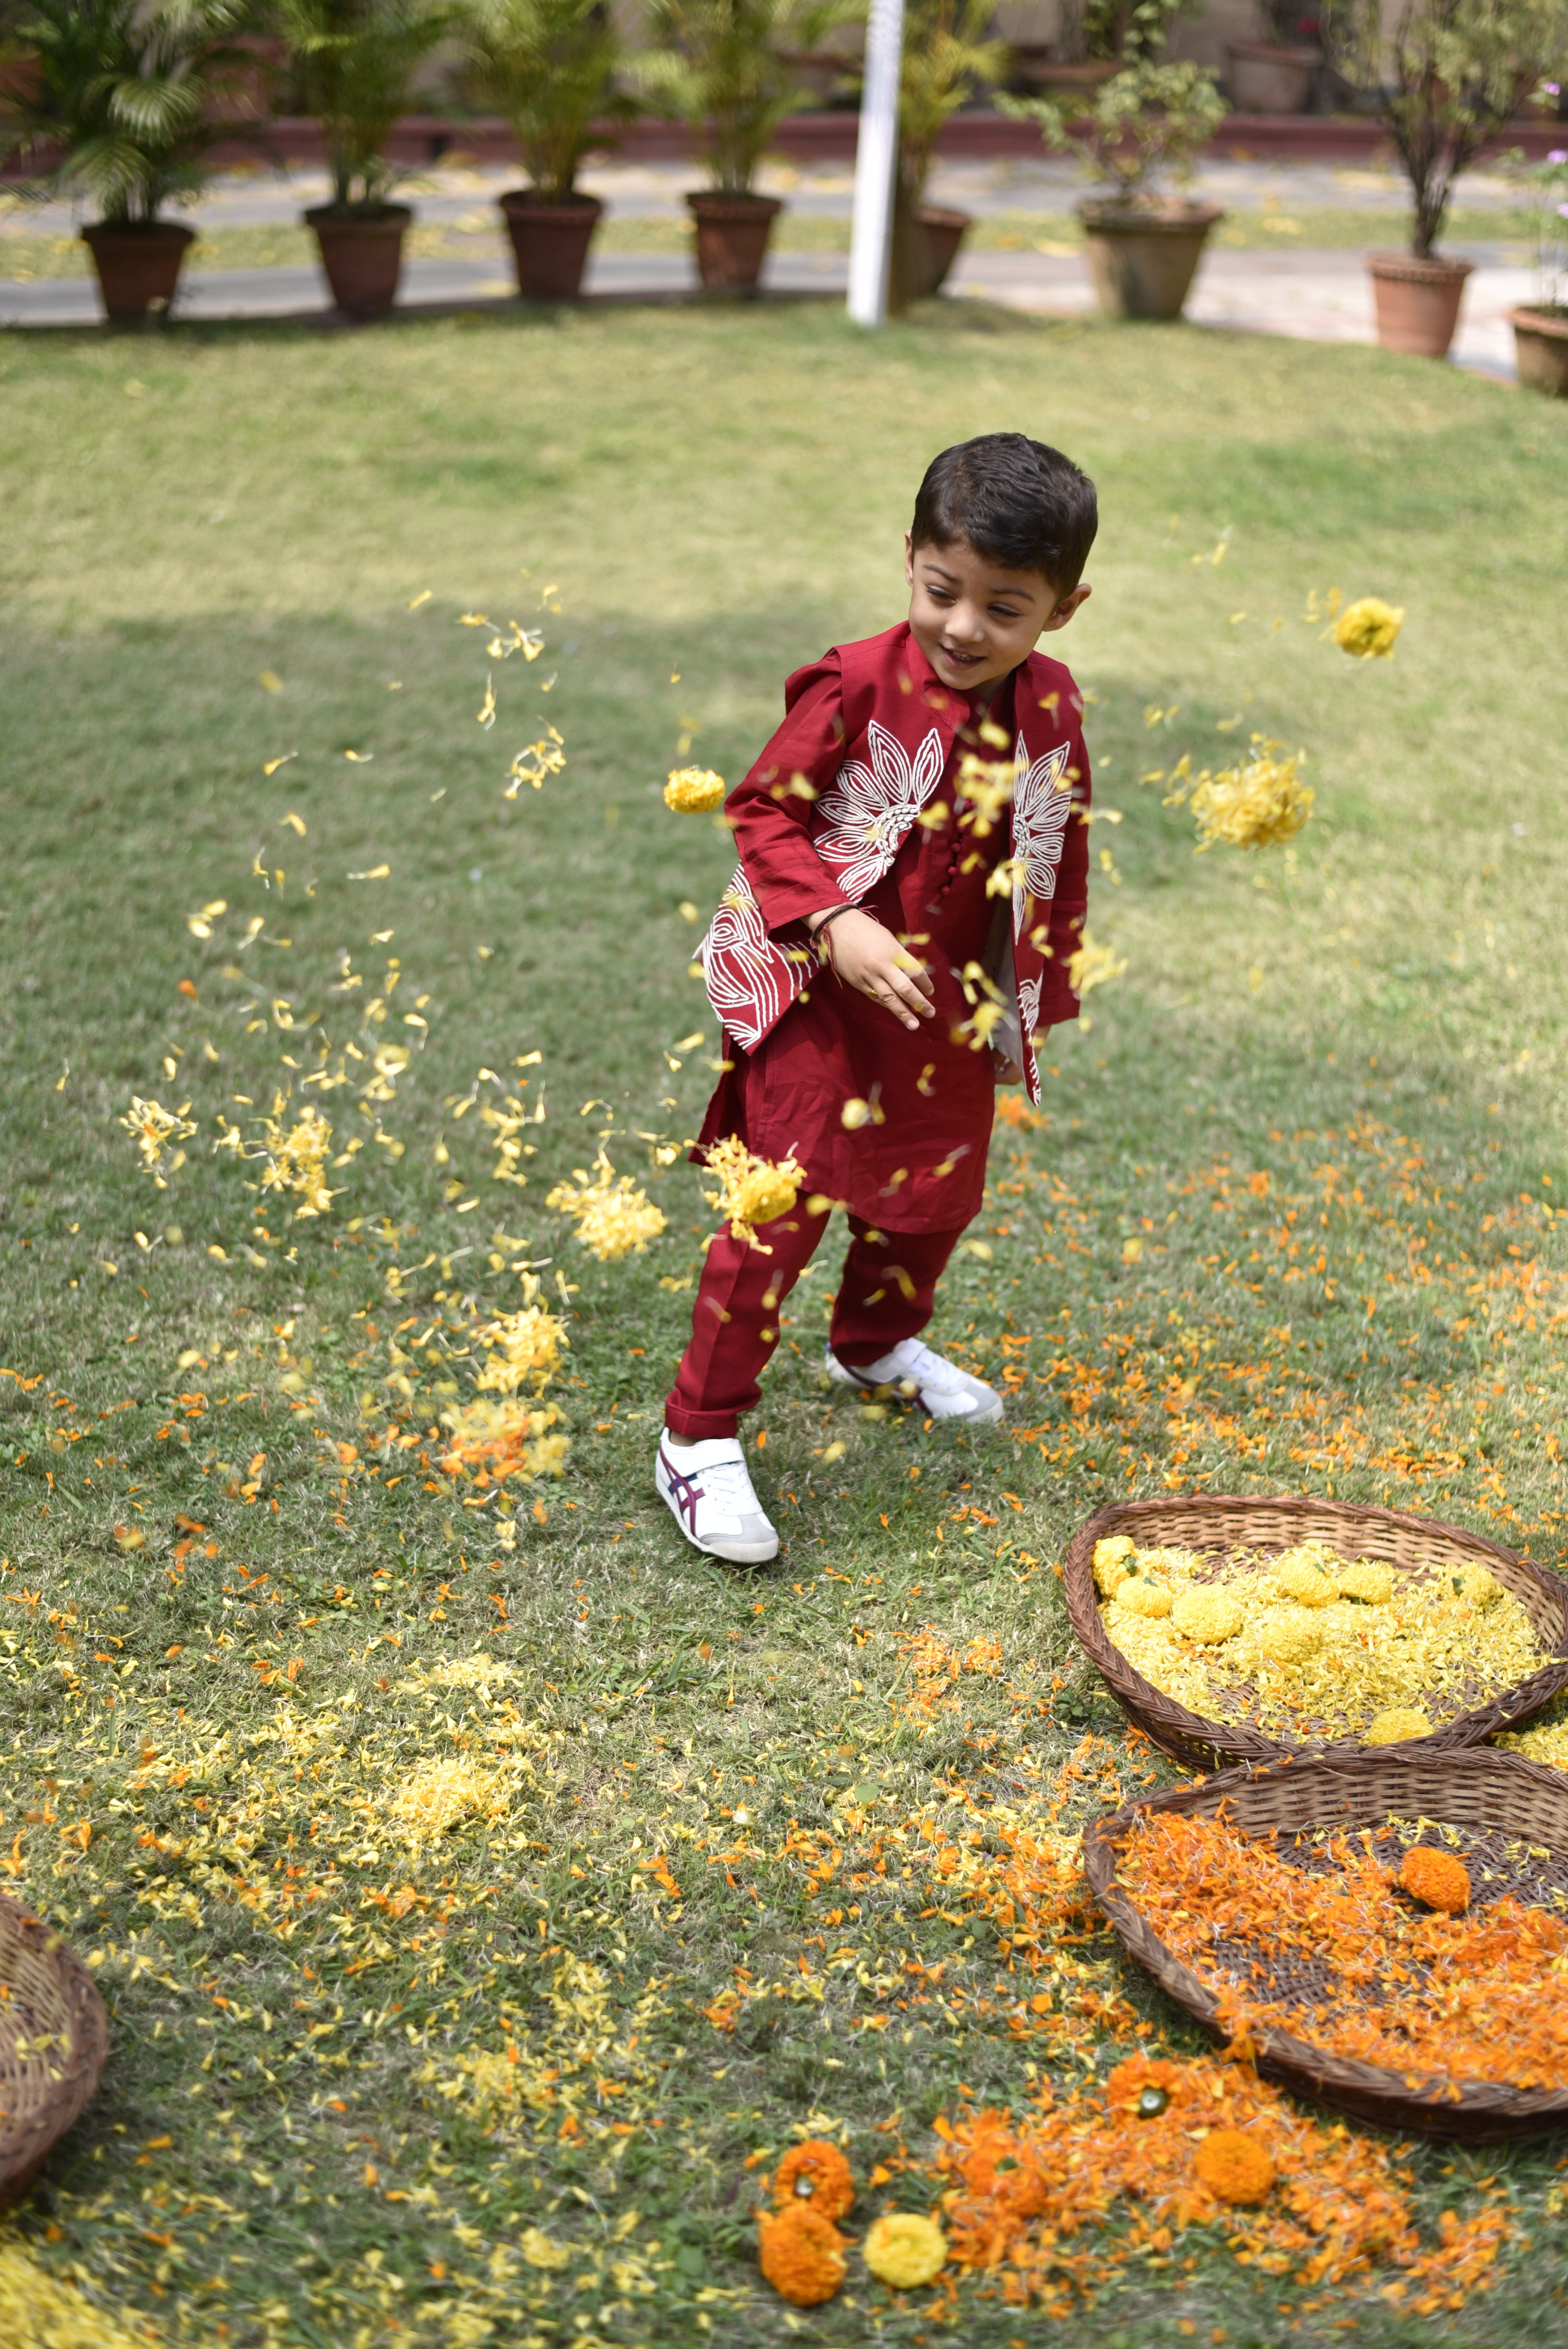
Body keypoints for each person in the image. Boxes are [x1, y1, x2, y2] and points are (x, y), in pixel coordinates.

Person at [656, 432, 1097, 1565]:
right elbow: (763, 808)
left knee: (933, 1197)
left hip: (944, 1013)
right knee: (779, 1211)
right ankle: (696, 1438)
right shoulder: (856, 682)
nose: (964, 628)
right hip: (819, 999)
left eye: (1006, 607)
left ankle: (875, 1343)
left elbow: (1060, 841)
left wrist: (1040, 987)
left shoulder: (1053, 704)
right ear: (909, 560)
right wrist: (835, 920)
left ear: (1064, 609)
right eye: (942, 592)